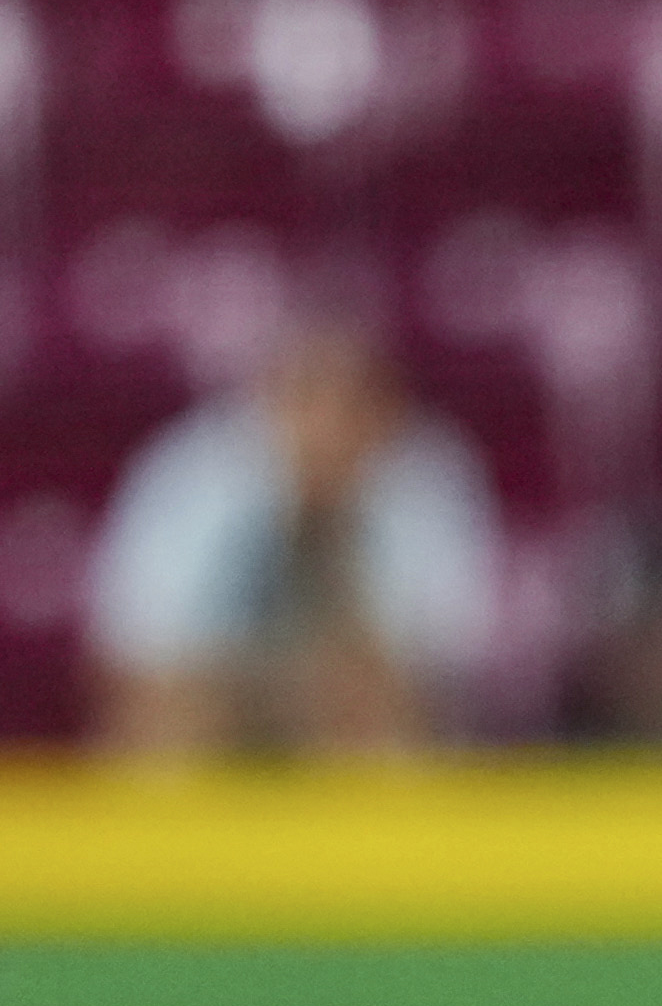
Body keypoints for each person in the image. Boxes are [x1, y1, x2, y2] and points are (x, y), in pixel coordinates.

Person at [89, 314, 500, 755]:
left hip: (354, 693)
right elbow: (137, 654)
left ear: (389, 410)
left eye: (353, 403)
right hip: (219, 685)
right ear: (268, 398)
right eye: (309, 398)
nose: (329, 425)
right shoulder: (190, 472)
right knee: (172, 716)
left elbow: (443, 664)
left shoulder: (430, 482)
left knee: (374, 708)